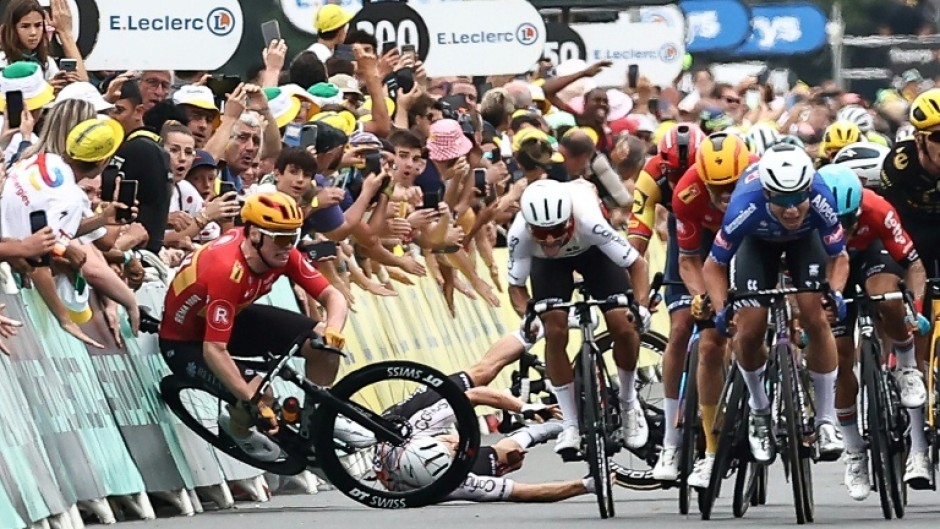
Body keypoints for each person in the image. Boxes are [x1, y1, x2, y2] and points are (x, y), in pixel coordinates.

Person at [158, 192, 354, 461]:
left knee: (322, 344)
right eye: (282, 238)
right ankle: (235, 428)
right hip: (185, 342)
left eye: (294, 237)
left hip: (231, 320)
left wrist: (332, 330)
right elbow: (214, 350)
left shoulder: (279, 251)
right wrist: (251, 399)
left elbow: (334, 296)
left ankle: (318, 418)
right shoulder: (227, 270)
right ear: (254, 235)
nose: (289, 246)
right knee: (261, 396)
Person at [702, 144, 849, 464]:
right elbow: (713, 265)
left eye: (799, 197)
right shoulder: (744, 205)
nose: (792, 209)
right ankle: (759, 409)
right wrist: (722, 307)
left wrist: (835, 293)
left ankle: (826, 420)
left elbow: (839, 257)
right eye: (782, 200)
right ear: (767, 193)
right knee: (749, 329)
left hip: (804, 244)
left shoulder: (822, 198)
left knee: (815, 315)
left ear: (809, 189)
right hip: (756, 245)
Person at [506, 179, 651, 456]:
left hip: (594, 253)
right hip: (549, 266)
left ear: (569, 219)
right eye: (541, 232)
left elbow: (636, 264)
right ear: (529, 226)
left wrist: (640, 307)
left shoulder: (588, 220)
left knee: (623, 325)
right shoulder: (519, 234)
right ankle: (570, 424)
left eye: (556, 230)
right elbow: (516, 288)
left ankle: (628, 402)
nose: (550, 239)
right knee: (554, 330)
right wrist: (529, 317)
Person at [818, 164, 928, 500]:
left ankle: (906, 368)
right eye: (836, 221)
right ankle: (854, 450)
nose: (844, 228)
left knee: (887, 297)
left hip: (872, 257)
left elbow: (914, 265)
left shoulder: (877, 208)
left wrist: (914, 310)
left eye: (849, 220)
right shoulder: (808, 219)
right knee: (839, 357)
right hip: (829, 264)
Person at [657, 132, 756, 486]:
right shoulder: (687, 193)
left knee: (753, 323)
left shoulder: (759, 180)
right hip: (702, 243)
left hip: (750, 239)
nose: (726, 194)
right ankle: (686, 444)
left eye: (732, 185)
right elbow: (688, 261)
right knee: (703, 336)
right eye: (718, 188)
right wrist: (705, 299)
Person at [107, 80, 172, 253]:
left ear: (139, 111)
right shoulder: (150, 145)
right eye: (108, 111)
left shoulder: (138, 148)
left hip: (136, 251)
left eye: (119, 110)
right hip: (137, 248)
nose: (112, 118)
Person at [0, 0, 86, 82]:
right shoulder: (2, 60)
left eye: (38, 25)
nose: (33, 32)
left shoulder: (47, 61)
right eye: (25, 26)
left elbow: (83, 83)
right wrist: (47, 87)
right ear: (13, 29)